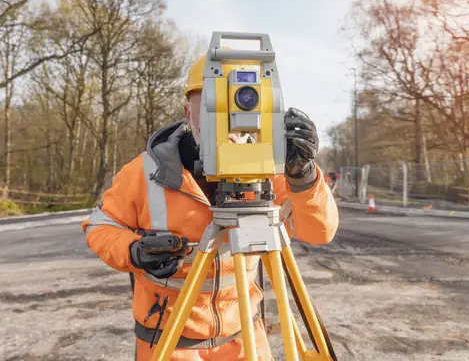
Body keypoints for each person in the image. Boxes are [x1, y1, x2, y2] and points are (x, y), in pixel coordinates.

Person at [81, 51, 339, 361]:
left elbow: (319, 231)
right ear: (186, 112)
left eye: (232, 105)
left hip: (244, 339)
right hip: (168, 343)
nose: (223, 117)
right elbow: (100, 226)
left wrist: (302, 175)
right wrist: (134, 250)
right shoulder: (144, 172)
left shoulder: (268, 172)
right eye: (209, 105)